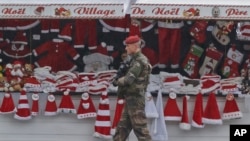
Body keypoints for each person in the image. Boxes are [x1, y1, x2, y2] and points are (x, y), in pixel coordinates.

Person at [113, 35, 152, 141]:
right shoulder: (134, 60)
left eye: (128, 46)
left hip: (136, 100)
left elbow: (128, 80)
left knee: (141, 130)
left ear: (135, 46)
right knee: (121, 129)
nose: (126, 48)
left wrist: (117, 81)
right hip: (131, 99)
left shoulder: (139, 61)